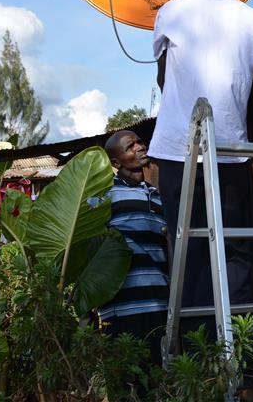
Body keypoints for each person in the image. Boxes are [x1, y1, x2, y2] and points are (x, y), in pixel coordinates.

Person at [148, 0, 253, 338]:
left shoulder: (171, 10)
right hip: (230, 150)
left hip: (177, 149)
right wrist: (237, 88)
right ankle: (238, 349)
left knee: (187, 249)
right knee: (236, 249)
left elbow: (163, 77)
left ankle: (197, 350)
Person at [98, 130, 169, 364]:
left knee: (160, 381)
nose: (140, 147)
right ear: (116, 162)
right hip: (123, 309)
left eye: (140, 142)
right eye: (130, 147)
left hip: (160, 303)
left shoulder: (158, 196)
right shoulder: (105, 196)